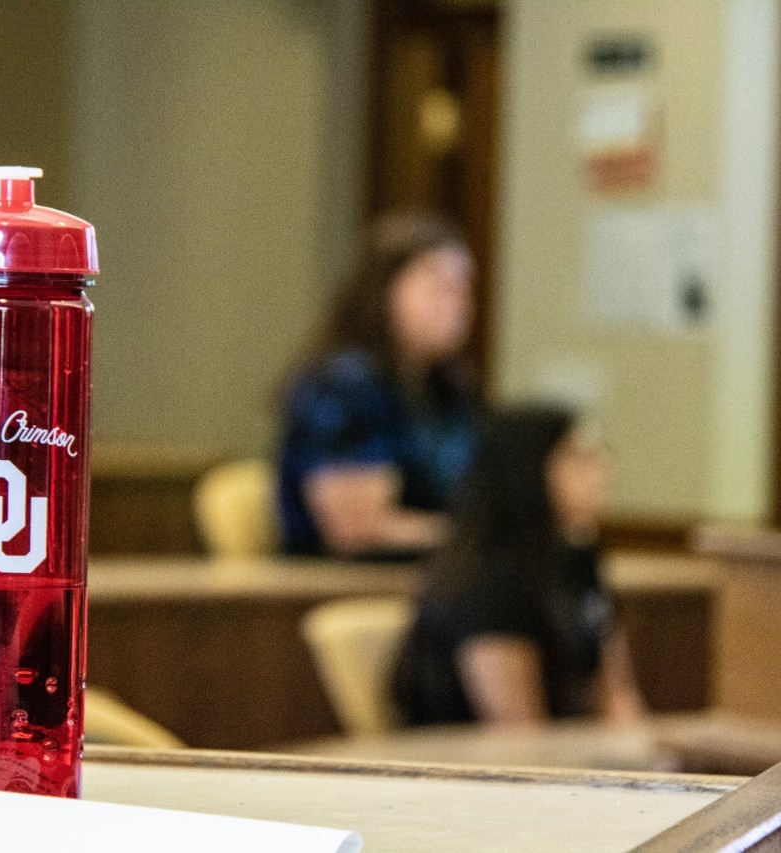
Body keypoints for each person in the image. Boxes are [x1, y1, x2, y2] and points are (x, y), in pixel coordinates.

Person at [392, 406, 646, 728]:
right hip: (476, 768)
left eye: (599, 453)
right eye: (577, 456)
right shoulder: (489, 583)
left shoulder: (578, 557)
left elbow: (618, 698)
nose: (602, 467)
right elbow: (519, 731)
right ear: (527, 470)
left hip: (563, 757)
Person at [277, 212, 484, 559]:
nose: (458, 303)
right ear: (384, 290)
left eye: (464, 287)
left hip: (431, 582)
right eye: (439, 286)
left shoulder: (449, 387)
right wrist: (485, 540)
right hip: (341, 587)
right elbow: (357, 531)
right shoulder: (342, 386)